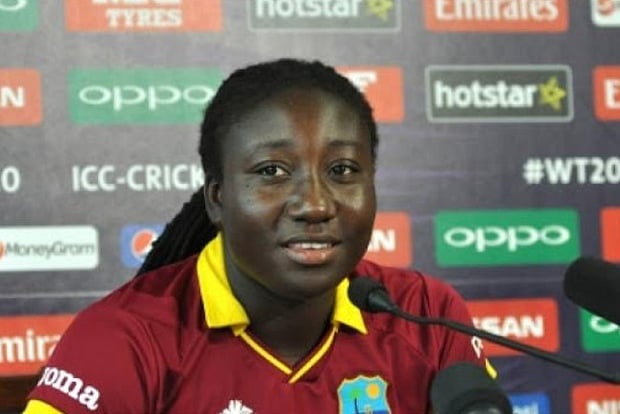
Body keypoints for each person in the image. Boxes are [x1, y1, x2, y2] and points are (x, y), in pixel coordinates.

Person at [24, 58, 495, 414]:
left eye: (342, 170)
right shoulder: (124, 338)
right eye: (272, 171)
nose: (315, 205)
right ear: (217, 199)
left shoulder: (426, 315)